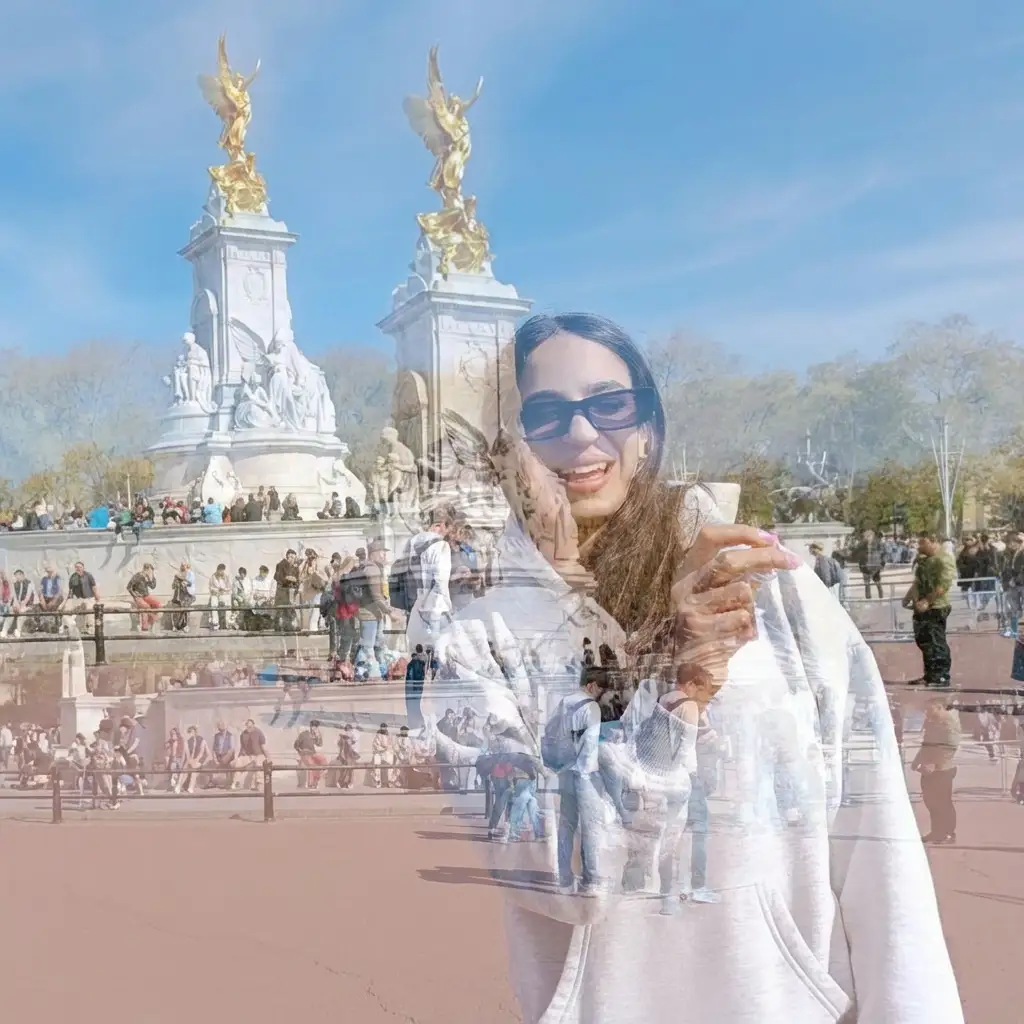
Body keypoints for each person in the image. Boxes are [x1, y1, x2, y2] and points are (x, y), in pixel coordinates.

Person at [416, 312, 960, 1023]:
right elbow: (558, 870)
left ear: (648, 428)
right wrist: (677, 693)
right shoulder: (471, 648)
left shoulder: (774, 586)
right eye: (545, 414)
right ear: (512, 450)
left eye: (609, 405)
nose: (580, 434)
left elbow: (874, 837)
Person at [903, 532, 956, 687]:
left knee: (936, 642)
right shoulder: (925, 560)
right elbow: (918, 582)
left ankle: (941, 676)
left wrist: (927, 601)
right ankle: (930, 675)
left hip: (936, 606)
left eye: (922, 543)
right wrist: (908, 597)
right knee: (925, 642)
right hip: (921, 607)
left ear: (933, 541)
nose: (919, 546)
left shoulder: (943, 559)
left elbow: (943, 585)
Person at [911, 700, 962, 843]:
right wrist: (917, 761)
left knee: (943, 803)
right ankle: (936, 832)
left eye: (930, 709)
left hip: (943, 769)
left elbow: (950, 748)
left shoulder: (949, 723)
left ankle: (948, 833)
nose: (927, 712)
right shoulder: (932, 722)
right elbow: (926, 744)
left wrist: (935, 764)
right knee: (931, 802)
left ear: (939, 707)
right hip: (928, 769)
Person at [356, 541, 393, 679]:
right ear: (373, 554)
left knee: (377, 643)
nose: (384, 555)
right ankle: (361, 671)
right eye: (382, 552)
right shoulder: (372, 570)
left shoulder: (374, 568)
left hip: (375, 612)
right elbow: (376, 596)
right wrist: (389, 612)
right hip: (369, 613)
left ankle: (380, 670)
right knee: (368, 645)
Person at [0, 570, 35, 638]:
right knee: (11, 611)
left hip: (27, 605)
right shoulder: (15, 584)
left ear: (22, 575)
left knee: (22, 612)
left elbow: (27, 597)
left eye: (17, 575)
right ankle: (4, 631)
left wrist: (21, 606)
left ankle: (18, 630)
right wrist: (15, 605)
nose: (16, 578)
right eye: (15, 576)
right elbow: (14, 597)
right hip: (18, 605)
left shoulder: (30, 583)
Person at [853, 528, 886, 599]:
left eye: (869, 535)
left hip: (874, 567)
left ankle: (881, 598)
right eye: (866, 536)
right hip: (865, 567)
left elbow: (883, 554)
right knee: (868, 585)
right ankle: (870, 599)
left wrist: (882, 564)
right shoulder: (861, 544)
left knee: (877, 584)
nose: (867, 537)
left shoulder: (876, 543)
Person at [127, 564, 160, 632]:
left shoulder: (147, 576)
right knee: (146, 607)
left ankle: (150, 622)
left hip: (146, 596)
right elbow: (129, 587)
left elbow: (152, 586)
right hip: (138, 597)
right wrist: (135, 595)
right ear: (146, 569)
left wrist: (152, 577)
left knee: (157, 603)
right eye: (150, 571)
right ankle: (146, 627)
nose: (150, 572)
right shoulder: (137, 576)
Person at [274, 549, 301, 632]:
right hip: (282, 591)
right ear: (287, 557)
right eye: (291, 557)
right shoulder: (280, 565)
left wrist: (295, 584)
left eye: (294, 558)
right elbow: (277, 577)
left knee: (290, 609)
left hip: (291, 592)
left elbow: (298, 580)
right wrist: (287, 578)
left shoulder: (295, 568)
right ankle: (279, 626)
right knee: (281, 610)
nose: (292, 560)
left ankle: (290, 626)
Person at [207, 564, 231, 631]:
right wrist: (216, 590)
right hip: (215, 594)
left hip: (223, 594)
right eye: (220, 570)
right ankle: (215, 624)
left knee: (228, 603)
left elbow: (229, 587)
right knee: (214, 603)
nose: (221, 572)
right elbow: (210, 587)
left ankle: (228, 623)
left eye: (222, 570)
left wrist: (224, 589)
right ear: (217, 570)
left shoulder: (226, 577)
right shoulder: (213, 577)